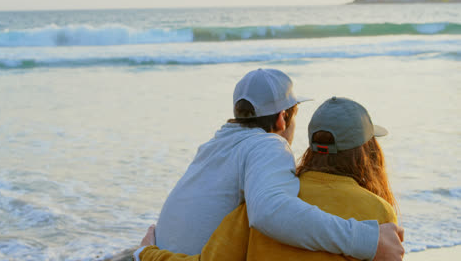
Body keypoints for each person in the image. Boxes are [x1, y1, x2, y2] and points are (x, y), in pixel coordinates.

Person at [134, 70, 404, 261]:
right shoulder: (268, 147)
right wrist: (367, 240)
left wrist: (147, 253)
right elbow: (270, 213)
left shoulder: (213, 148)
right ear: (281, 120)